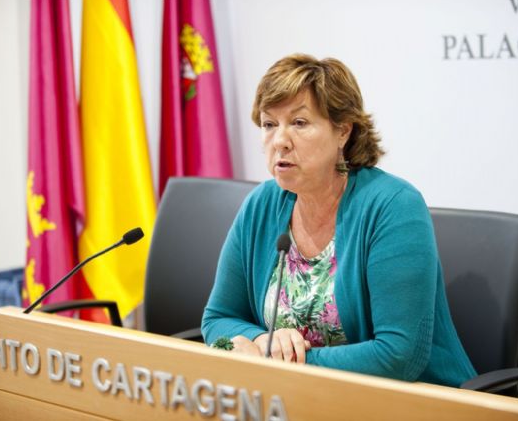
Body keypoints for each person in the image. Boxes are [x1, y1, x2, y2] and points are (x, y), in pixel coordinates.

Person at [201, 53, 476, 387]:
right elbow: (218, 317)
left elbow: (398, 357)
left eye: (299, 123)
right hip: (300, 398)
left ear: (343, 131)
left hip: (412, 401)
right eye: (269, 124)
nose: (280, 141)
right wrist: (262, 340)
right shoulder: (261, 205)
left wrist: (287, 361)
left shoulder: (393, 207)